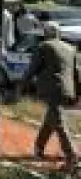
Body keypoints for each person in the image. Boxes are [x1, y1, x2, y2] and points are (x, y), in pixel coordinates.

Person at [23, 22, 78, 170]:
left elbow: (33, 68)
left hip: (51, 89)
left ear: (47, 33)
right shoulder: (71, 48)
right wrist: (78, 92)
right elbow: (76, 72)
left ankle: (71, 156)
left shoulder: (44, 46)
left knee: (58, 123)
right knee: (51, 119)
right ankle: (39, 147)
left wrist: (23, 84)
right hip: (68, 89)